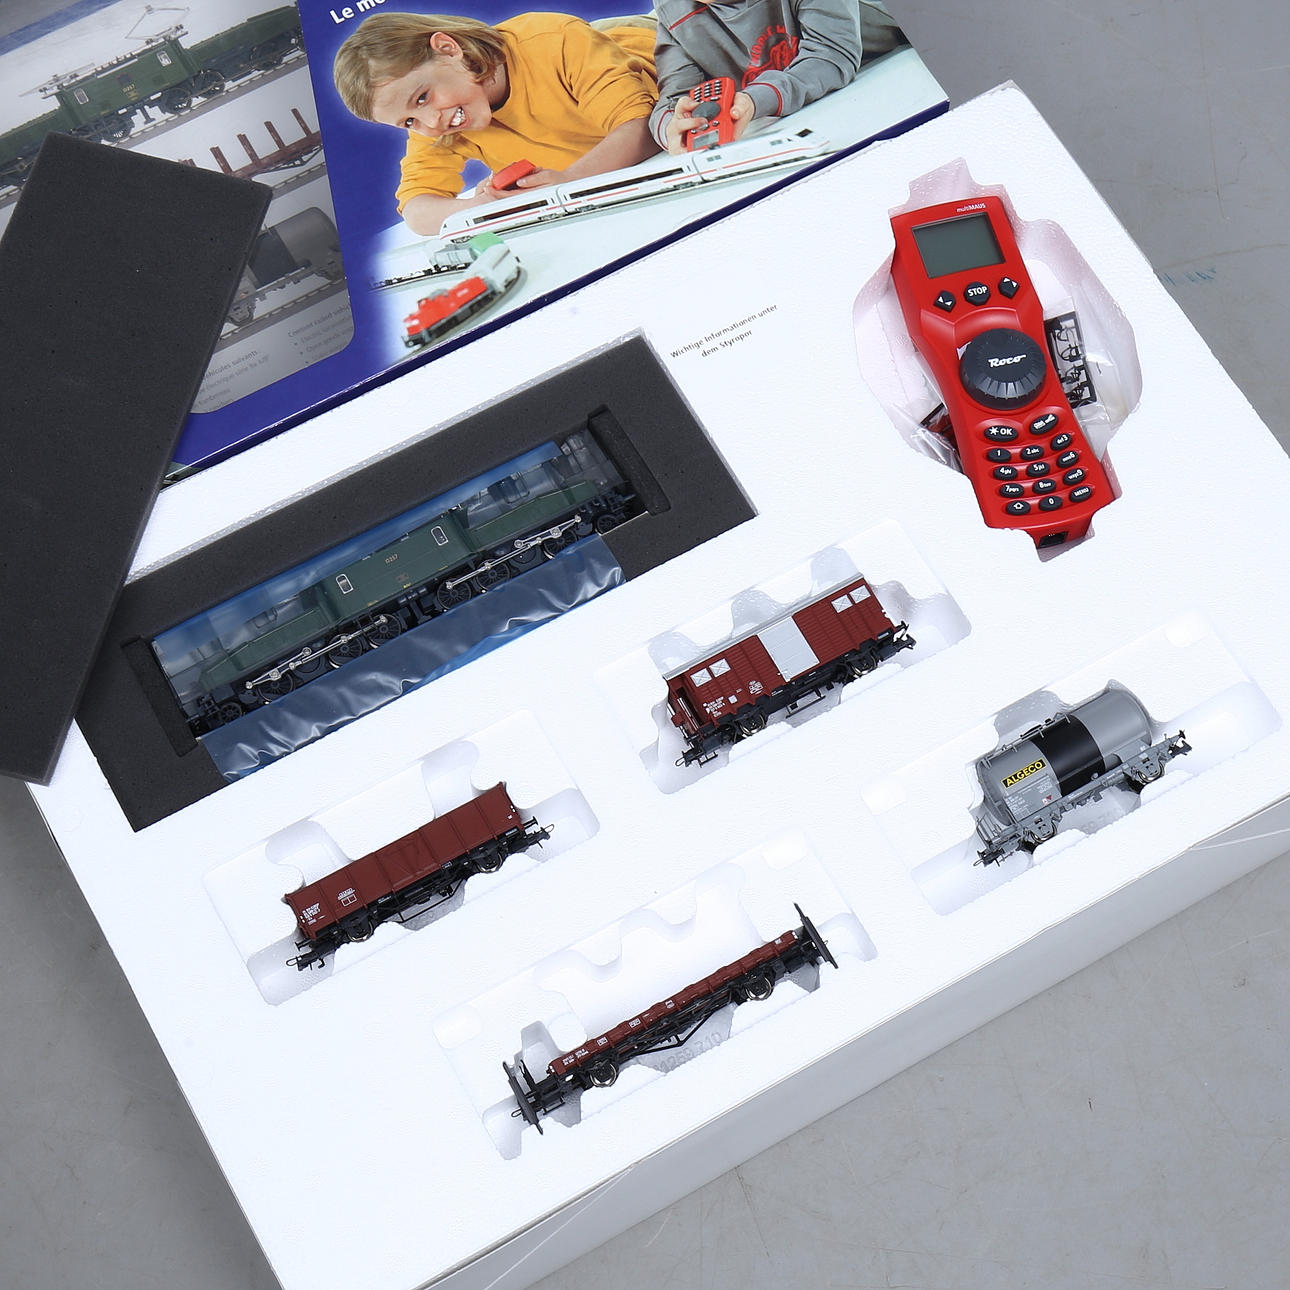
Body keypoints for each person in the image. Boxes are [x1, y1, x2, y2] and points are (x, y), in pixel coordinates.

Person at [333, 12, 662, 236]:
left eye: (422, 98)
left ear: (448, 49)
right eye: (408, 121)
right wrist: (483, 205)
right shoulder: (437, 120)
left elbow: (642, 125)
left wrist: (570, 181)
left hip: (656, 42)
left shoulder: (552, 42)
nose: (431, 122)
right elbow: (416, 209)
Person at [647, 0, 906, 154]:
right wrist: (673, 129)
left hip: (892, 76)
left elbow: (831, 52)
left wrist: (755, 99)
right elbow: (673, 99)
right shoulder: (672, 8)